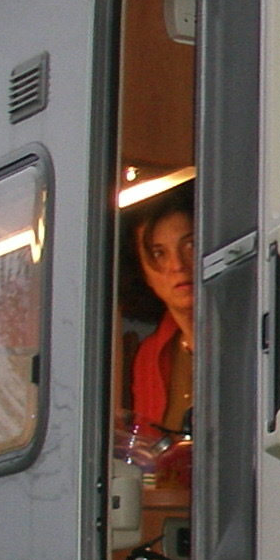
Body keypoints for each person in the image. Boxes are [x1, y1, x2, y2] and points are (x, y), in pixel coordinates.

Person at [124, 192, 194, 494]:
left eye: (190, 245)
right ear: (146, 275)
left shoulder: (251, 334)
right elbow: (147, 461)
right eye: (159, 253)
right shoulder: (149, 357)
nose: (177, 265)